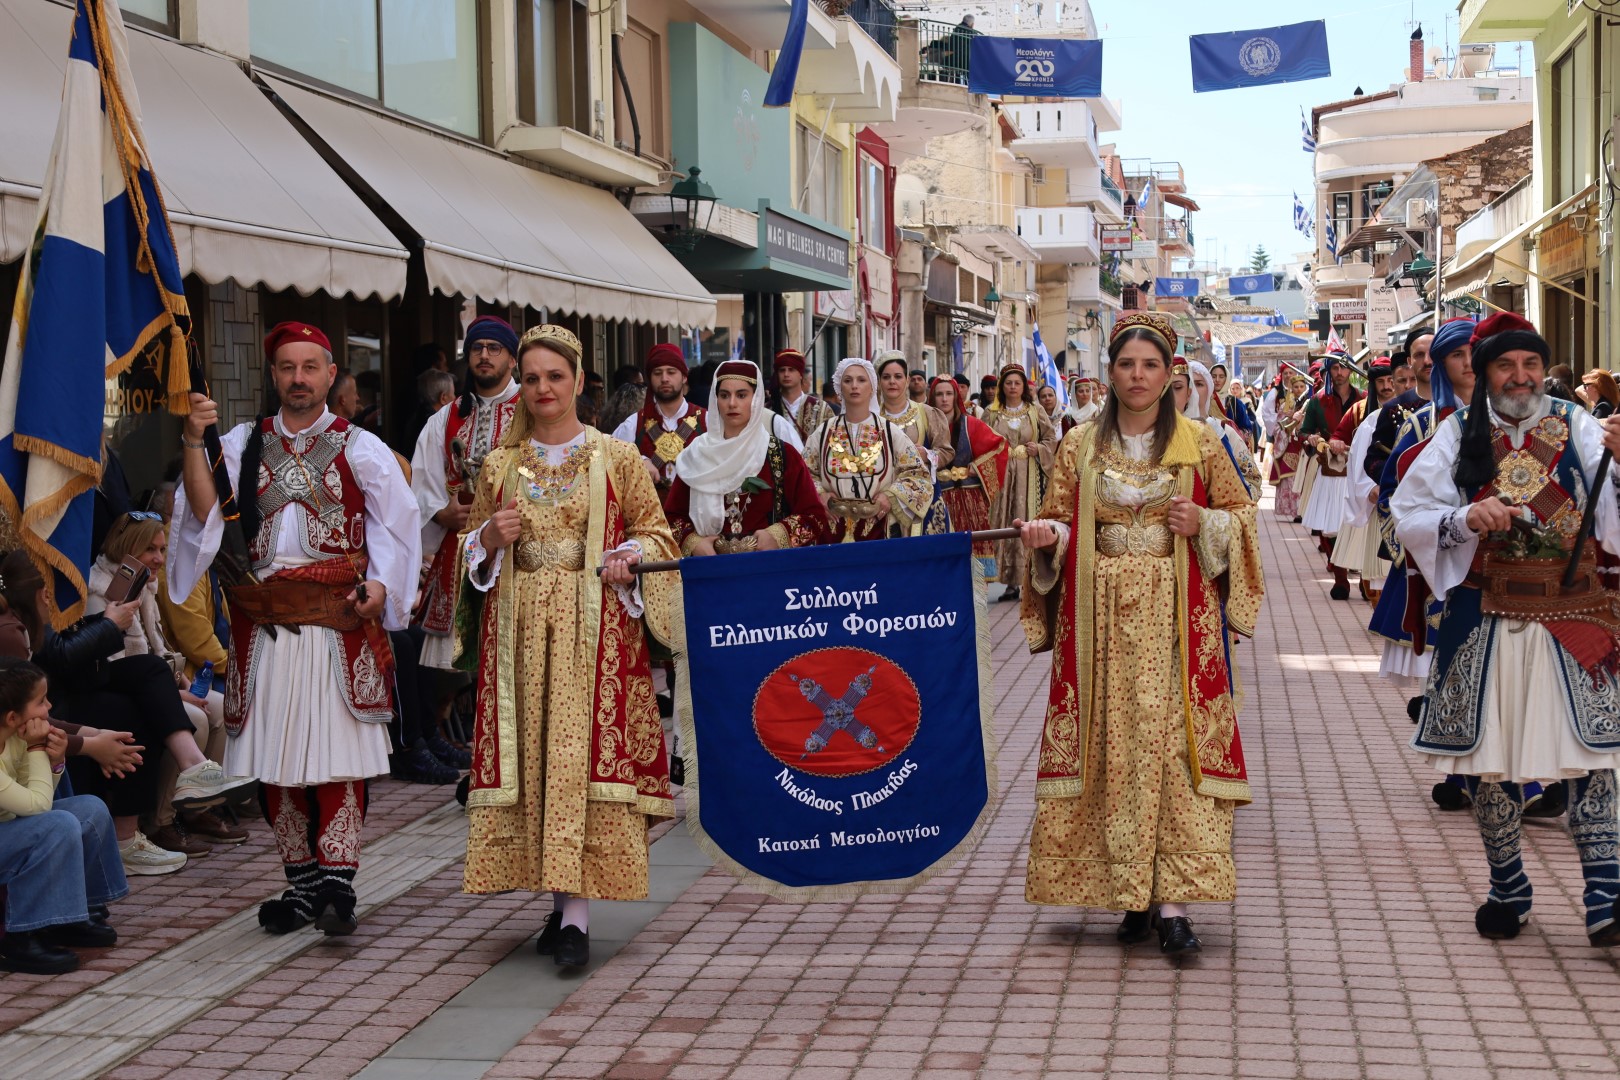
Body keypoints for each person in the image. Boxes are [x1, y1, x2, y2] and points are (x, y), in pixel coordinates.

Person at [1016, 312, 1263, 960]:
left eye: (1150, 365)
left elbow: (1242, 516)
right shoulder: (1078, 444)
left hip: (1176, 616)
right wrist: (1047, 538)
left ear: (1168, 372)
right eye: (1126, 364)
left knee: (1174, 749)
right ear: (1111, 372)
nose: (1137, 375)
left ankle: (1173, 903)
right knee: (1111, 747)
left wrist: (1204, 521)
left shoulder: (1201, 442)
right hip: (1098, 623)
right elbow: (1059, 520)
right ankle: (1129, 893)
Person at [172, 320, 421, 937]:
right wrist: (193, 440)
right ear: (274, 375)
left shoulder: (361, 446)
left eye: (310, 367)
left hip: (338, 621)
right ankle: (304, 885)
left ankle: (337, 882)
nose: (299, 379)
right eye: (288, 368)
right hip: (264, 628)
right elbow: (202, 511)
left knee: (339, 758)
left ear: (331, 375)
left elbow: (397, 526)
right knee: (274, 760)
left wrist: (383, 587)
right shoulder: (241, 441)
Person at [1391, 313, 1620, 946]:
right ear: (1485, 371)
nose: (1520, 377)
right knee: (1489, 762)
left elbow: (1610, 517)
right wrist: (1466, 517)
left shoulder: (1579, 425)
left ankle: (1606, 896)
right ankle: (1508, 886)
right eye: (1506, 365)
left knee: (1594, 756)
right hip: (1483, 615)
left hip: (1574, 613)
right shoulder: (1454, 435)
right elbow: (1409, 514)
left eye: (1531, 364)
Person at [457, 324, 677, 970]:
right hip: (521, 633)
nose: (543, 388)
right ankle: (560, 907)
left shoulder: (619, 457)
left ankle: (575, 916)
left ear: (579, 381)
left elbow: (657, 534)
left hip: (593, 631)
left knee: (578, 760)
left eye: (555, 376)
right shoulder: (499, 465)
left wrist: (628, 556)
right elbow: (469, 550)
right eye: (531, 378)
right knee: (540, 762)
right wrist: (488, 541)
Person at [86, 513, 248, 855]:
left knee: (222, 707)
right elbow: (115, 668)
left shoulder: (144, 584)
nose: (159, 558)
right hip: (124, 689)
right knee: (197, 718)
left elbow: (157, 648)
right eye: (150, 549)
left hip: (156, 680)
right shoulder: (100, 591)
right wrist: (176, 692)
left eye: (161, 549)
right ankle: (162, 821)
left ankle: (198, 808)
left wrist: (181, 679)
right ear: (128, 548)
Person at [0, 659, 129, 974]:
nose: (49, 707)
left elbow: (36, 792)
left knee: (90, 810)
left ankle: (72, 915)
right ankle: (20, 937)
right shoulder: (23, 739)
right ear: (13, 717)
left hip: (8, 825)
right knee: (57, 824)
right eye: (41, 701)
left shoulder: (15, 735)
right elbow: (38, 806)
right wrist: (37, 750)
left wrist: (55, 762)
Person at [411, 316, 522, 680]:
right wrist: (441, 513)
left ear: (512, 358)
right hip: (459, 551)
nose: (484, 355)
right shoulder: (446, 417)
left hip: (518, 547)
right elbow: (422, 478)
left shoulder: (533, 410)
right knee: (460, 673)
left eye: (494, 348)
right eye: (477, 348)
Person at [665, 360, 831, 555]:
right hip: (709, 569)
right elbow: (670, 518)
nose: (732, 403)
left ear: (756, 399)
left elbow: (814, 516)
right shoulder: (696, 455)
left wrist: (779, 535)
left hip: (767, 569)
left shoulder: (782, 455)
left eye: (741, 395)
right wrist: (693, 543)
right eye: (724, 395)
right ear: (715, 400)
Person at [803, 358, 933, 543]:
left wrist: (890, 497)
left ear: (872, 387)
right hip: (831, 528)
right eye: (848, 380)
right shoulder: (823, 432)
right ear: (840, 388)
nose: (854, 386)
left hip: (879, 528)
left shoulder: (889, 431)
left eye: (861, 380)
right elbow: (805, 473)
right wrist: (819, 494)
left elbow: (918, 475)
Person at [987, 364, 1058, 603]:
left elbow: (1050, 438)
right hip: (1002, 476)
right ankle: (1008, 581)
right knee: (1004, 522)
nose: (1013, 387)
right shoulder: (992, 413)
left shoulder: (1035, 411)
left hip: (1029, 475)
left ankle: (1030, 578)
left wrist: (1039, 449)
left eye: (1017, 383)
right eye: (1008, 383)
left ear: (1024, 387)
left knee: (1027, 519)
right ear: (1002, 386)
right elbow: (982, 442)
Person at [1331, 357, 1397, 602]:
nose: (1388, 387)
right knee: (1379, 577)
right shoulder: (1366, 417)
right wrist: (1370, 487)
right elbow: (1357, 457)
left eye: (1392, 381)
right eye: (1382, 382)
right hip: (1377, 500)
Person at [930, 374, 1008, 579]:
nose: (944, 399)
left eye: (949, 394)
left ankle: (976, 597)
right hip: (937, 500)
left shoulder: (970, 424)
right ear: (932, 397)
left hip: (969, 499)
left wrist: (978, 467)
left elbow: (999, 446)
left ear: (956, 396)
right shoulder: (926, 425)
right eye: (939, 394)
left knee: (974, 557)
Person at [1299, 356, 1363, 598]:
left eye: (1344, 367)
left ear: (1351, 371)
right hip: (1331, 470)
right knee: (1333, 528)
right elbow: (1303, 432)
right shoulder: (1317, 401)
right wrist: (1311, 438)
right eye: (1335, 368)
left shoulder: (1364, 399)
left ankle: (1366, 581)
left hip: (1359, 470)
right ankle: (1340, 580)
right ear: (1328, 371)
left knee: (1360, 527)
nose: (1339, 372)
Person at [612, 344, 708, 496]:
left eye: (671, 372)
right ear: (650, 378)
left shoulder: (706, 421)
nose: (664, 379)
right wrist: (638, 460)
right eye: (657, 373)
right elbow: (609, 461)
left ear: (684, 377)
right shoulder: (633, 424)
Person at [876, 353, 954, 533]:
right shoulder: (872, 418)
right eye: (886, 377)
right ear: (879, 382)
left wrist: (928, 454)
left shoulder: (926, 413)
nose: (892, 382)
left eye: (898, 376)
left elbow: (947, 452)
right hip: (884, 499)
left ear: (907, 380)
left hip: (924, 498)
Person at [773, 349, 834, 444]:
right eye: (782, 370)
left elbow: (833, 442)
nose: (786, 374)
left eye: (791, 370)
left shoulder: (822, 409)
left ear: (800, 374)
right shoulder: (768, 409)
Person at [1271, 371, 1310, 522]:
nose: (1299, 389)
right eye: (1296, 387)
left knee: (1305, 478)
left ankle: (1304, 510)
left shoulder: (1310, 403)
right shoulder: (1285, 406)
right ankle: (1295, 510)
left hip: (1305, 445)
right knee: (1291, 479)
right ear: (1291, 389)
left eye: (1301, 386)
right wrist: (1288, 425)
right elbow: (1277, 428)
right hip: (1290, 445)